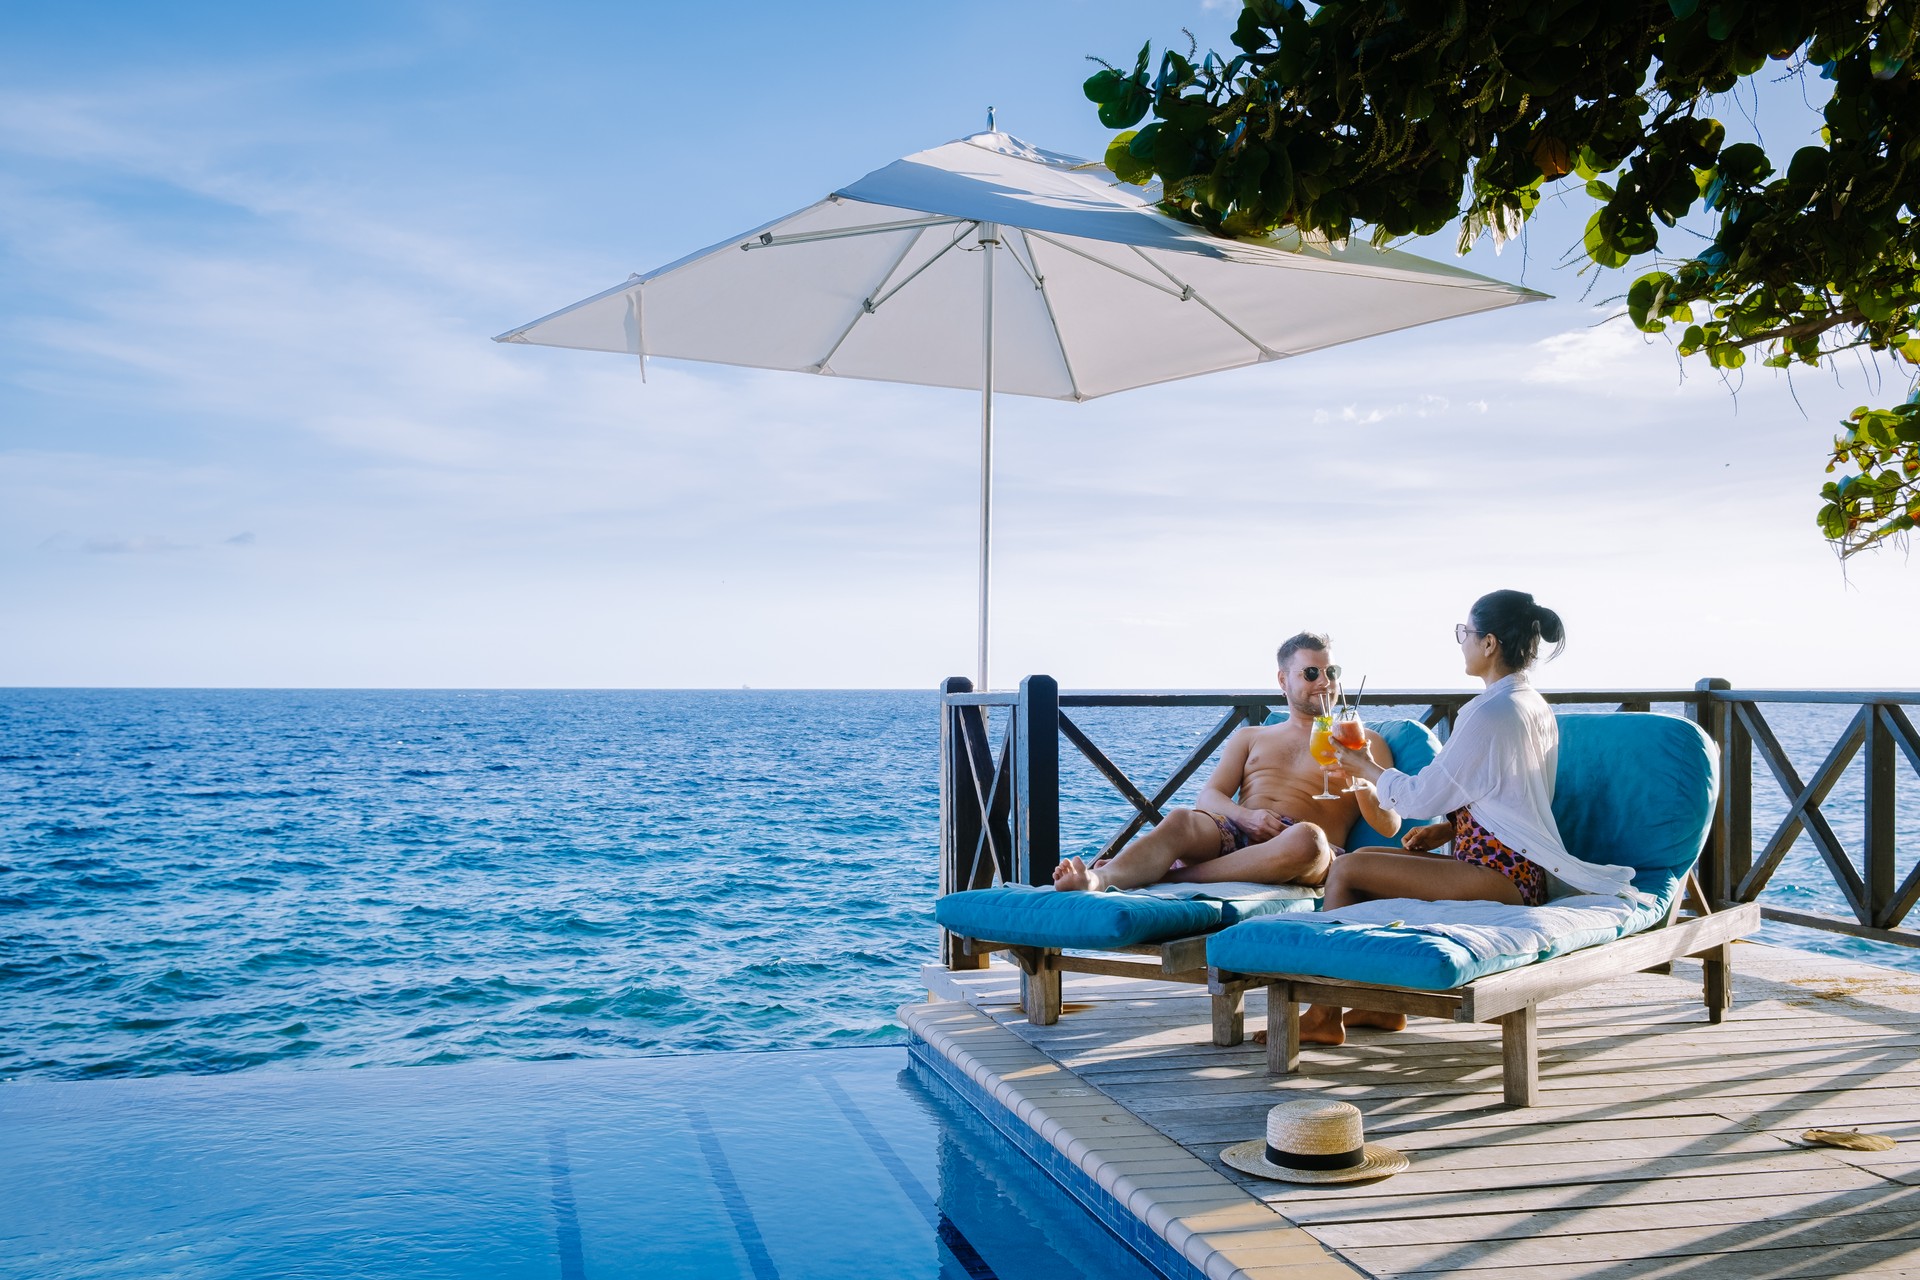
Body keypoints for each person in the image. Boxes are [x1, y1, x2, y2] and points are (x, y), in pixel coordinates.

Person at [1301, 589, 1640, 1046]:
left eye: (1467, 632)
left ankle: (1324, 1015)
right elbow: (1513, 795)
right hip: (1516, 868)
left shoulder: (1492, 713)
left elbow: (1418, 796)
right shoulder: (1530, 704)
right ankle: (1378, 1007)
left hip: (1501, 877)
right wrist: (1450, 827)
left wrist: (1363, 766)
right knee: (1373, 857)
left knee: (1348, 868)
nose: (1462, 641)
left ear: (1489, 644)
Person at [1051, 633, 1402, 894]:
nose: (1324, 682)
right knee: (1180, 820)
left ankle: (1169, 877)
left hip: (1301, 848)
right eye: (1311, 673)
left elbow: (1389, 826)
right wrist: (1246, 816)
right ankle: (1099, 878)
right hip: (1239, 831)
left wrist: (1364, 775)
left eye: (1332, 671)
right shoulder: (1252, 737)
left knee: (1308, 839)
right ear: (1283, 680)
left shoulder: (1364, 741)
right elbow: (1210, 797)